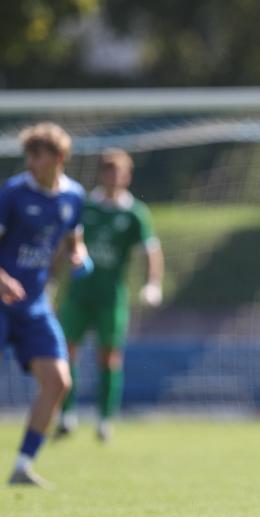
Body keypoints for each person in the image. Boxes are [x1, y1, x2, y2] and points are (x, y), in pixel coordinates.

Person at [1, 122, 91, 487]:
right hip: (1, 302)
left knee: (58, 381)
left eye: (37, 156)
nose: (31, 163)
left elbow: (74, 238)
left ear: (59, 158)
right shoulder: (12, 194)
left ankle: (23, 465)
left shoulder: (74, 197)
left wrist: (78, 254)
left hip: (35, 305)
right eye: (29, 155)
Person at [56, 148, 164, 442]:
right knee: (66, 354)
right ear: (101, 174)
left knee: (108, 358)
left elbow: (151, 250)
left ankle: (105, 421)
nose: (112, 176)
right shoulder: (84, 205)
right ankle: (66, 415)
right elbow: (63, 243)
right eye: (107, 170)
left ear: (127, 176)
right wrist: (53, 277)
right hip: (79, 293)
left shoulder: (134, 213)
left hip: (111, 297)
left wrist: (152, 283)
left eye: (118, 171)